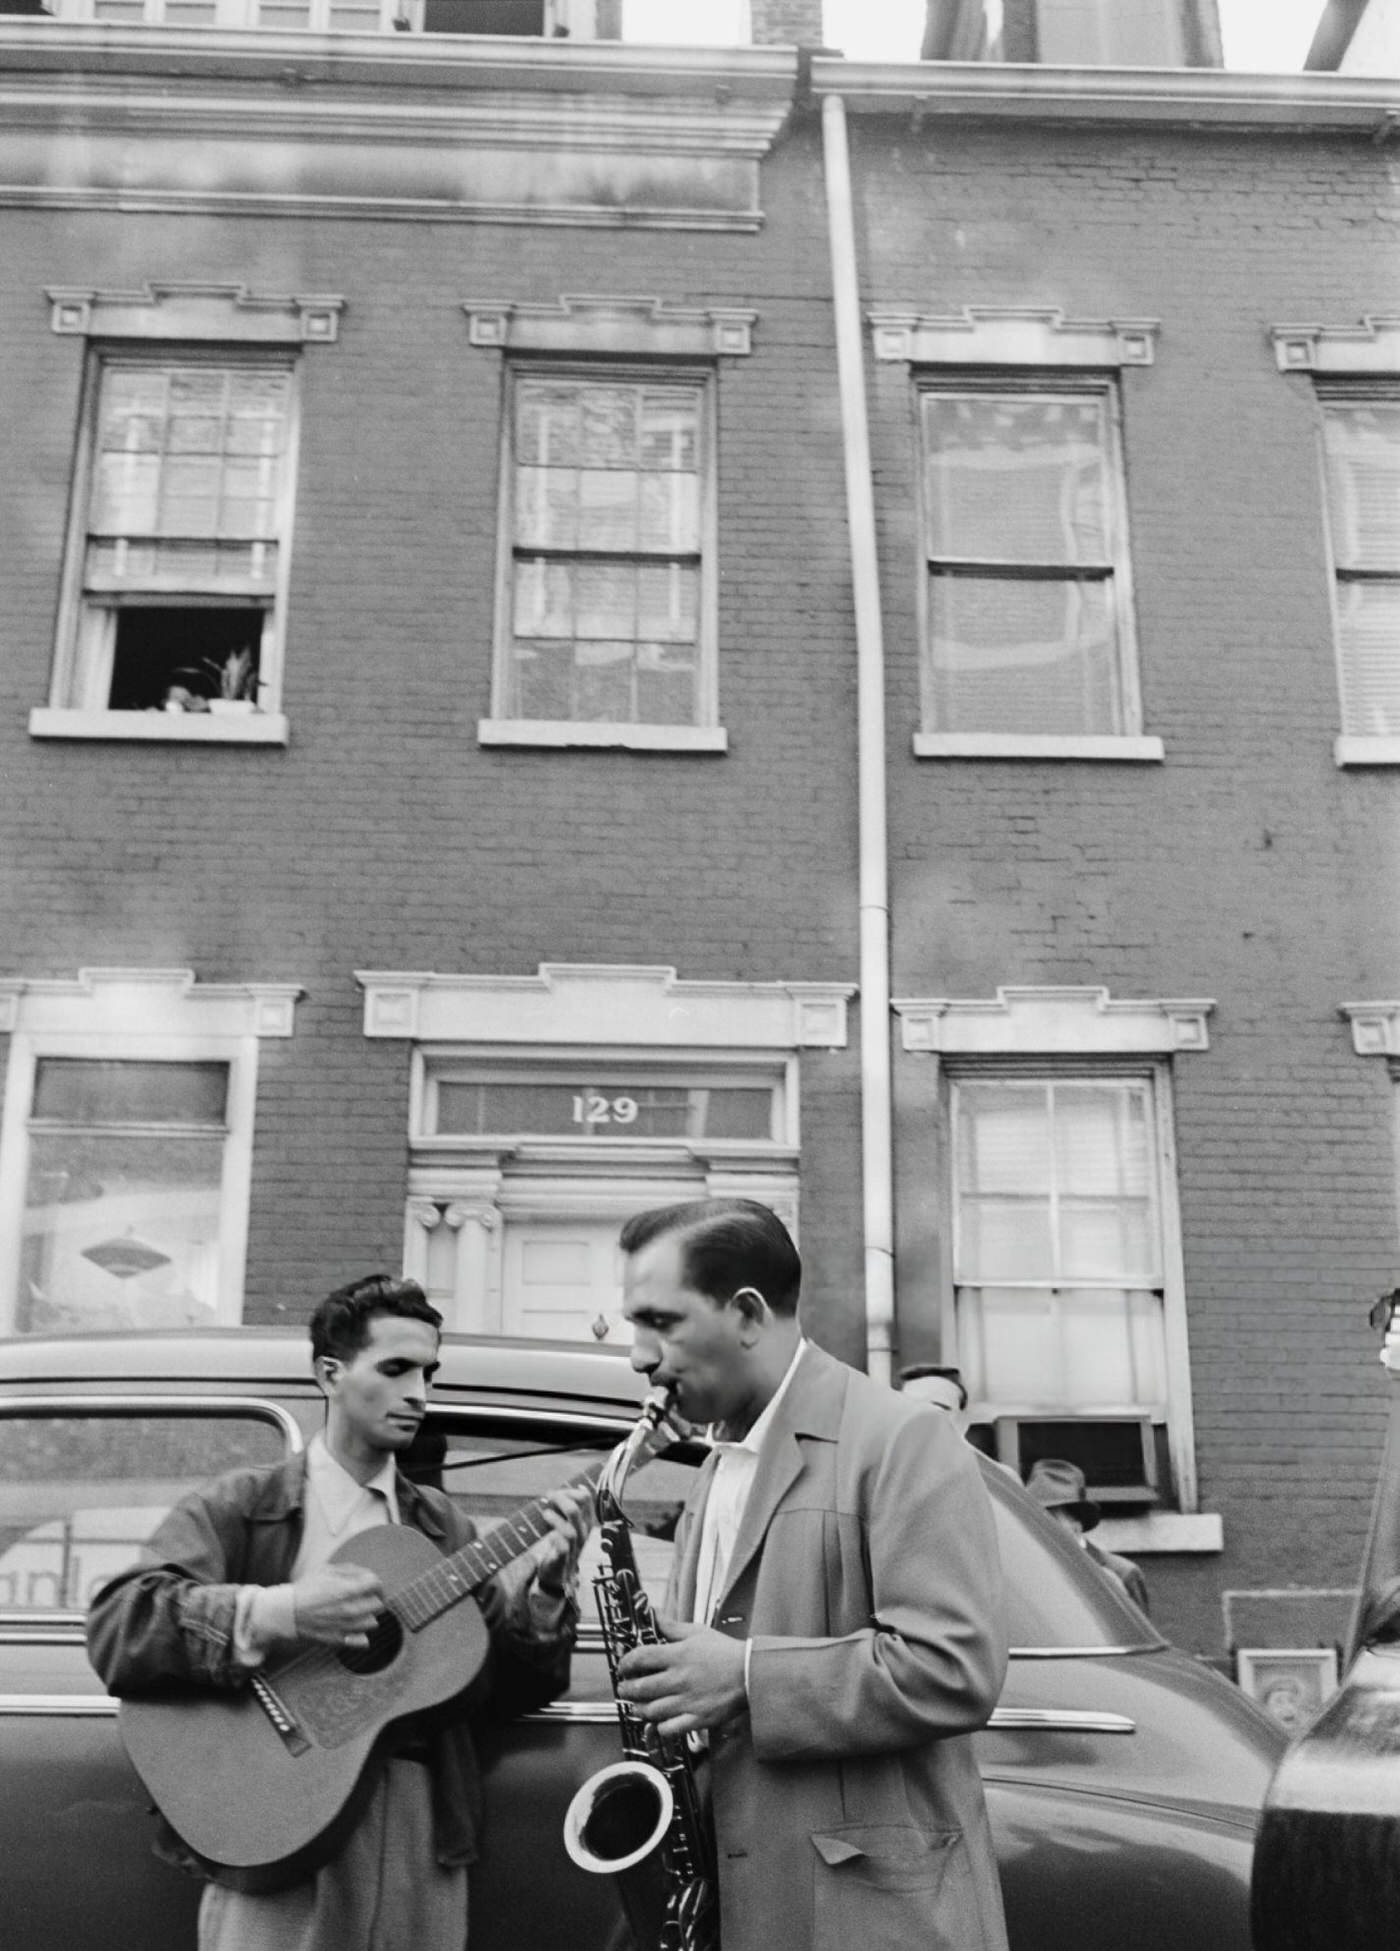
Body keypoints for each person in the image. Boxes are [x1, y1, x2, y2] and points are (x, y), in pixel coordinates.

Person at [86, 1273, 591, 1951]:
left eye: (428, 1372)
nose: (419, 1392)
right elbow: (119, 1624)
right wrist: (282, 1610)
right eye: (396, 1368)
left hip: (421, 1829)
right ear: (330, 1372)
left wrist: (547, 1591)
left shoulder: (442, 1527)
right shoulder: (249, 1502)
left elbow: (507, 1689)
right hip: (276, 1820)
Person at [613, 1197, 1010, 1951]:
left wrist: (748, 1677)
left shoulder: (902, 1437)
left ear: (749, 1313)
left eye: (661, 1321)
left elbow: (955, 1665)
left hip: (865, 1916)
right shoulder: (713, 1466)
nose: (640, 1354)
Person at [1022, 1457, 1151, 1614]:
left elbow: (1139, 1636)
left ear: (1076, 1525)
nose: (1041, 1529)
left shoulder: (1123, 1574)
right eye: (1035, 1520)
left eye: (1051, 1520)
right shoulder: (1025, 1576)